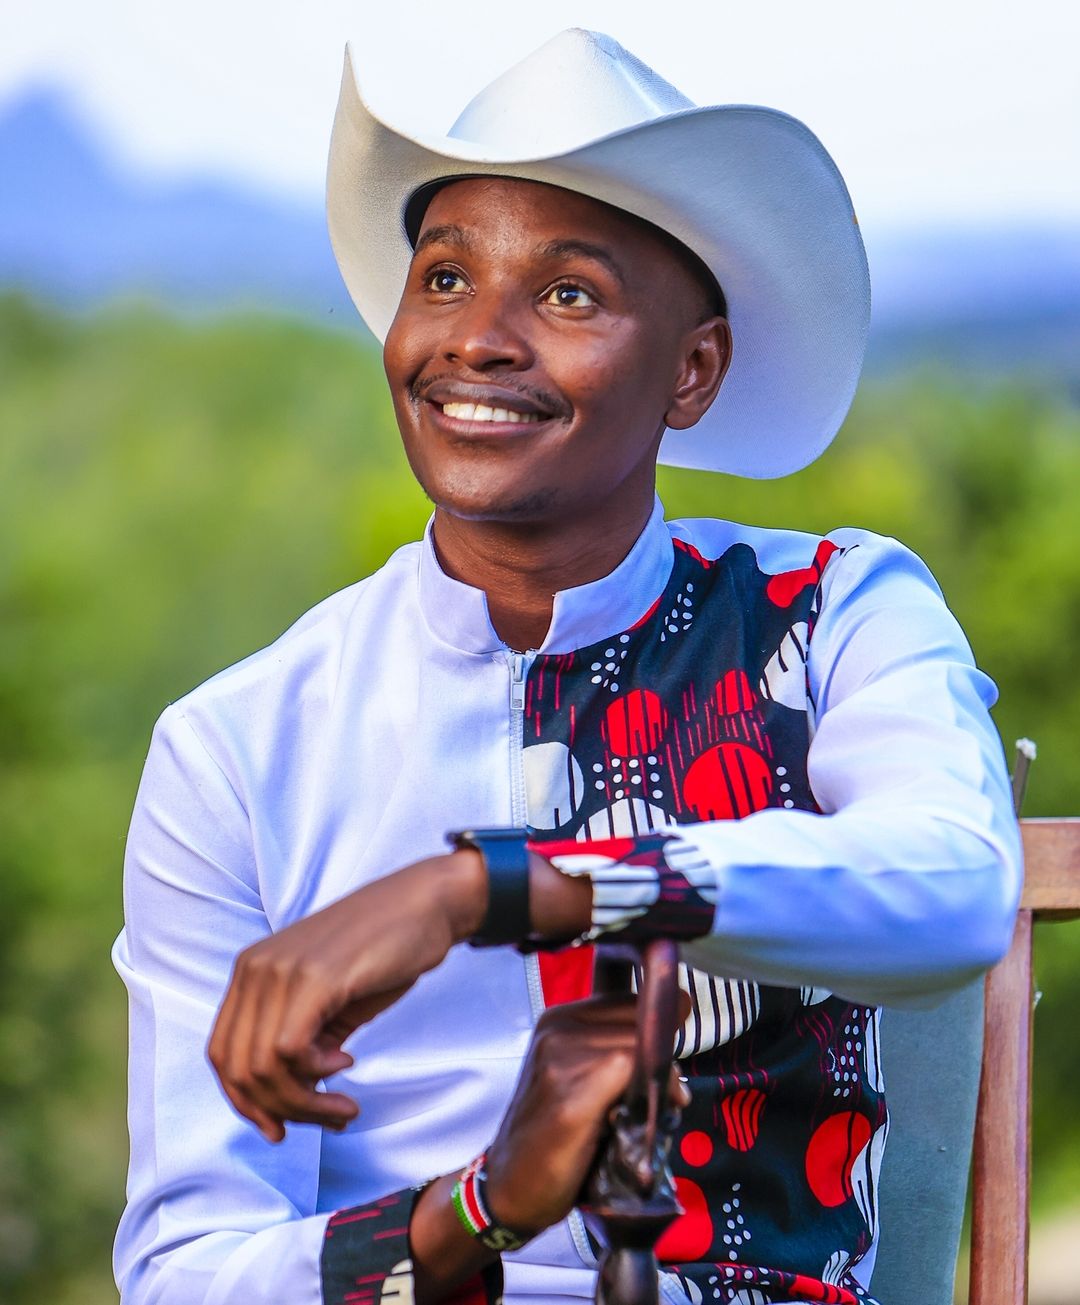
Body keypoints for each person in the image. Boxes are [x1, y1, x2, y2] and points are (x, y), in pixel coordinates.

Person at [112, 28, 1022, 1305]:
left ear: (693, 371)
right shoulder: (240, 746)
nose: (477, 340)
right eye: (443, 277)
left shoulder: (830, 612)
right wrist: (479, 1207)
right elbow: (184, 1275)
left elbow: (958, 884)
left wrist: (487, 890)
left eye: (569, 294)